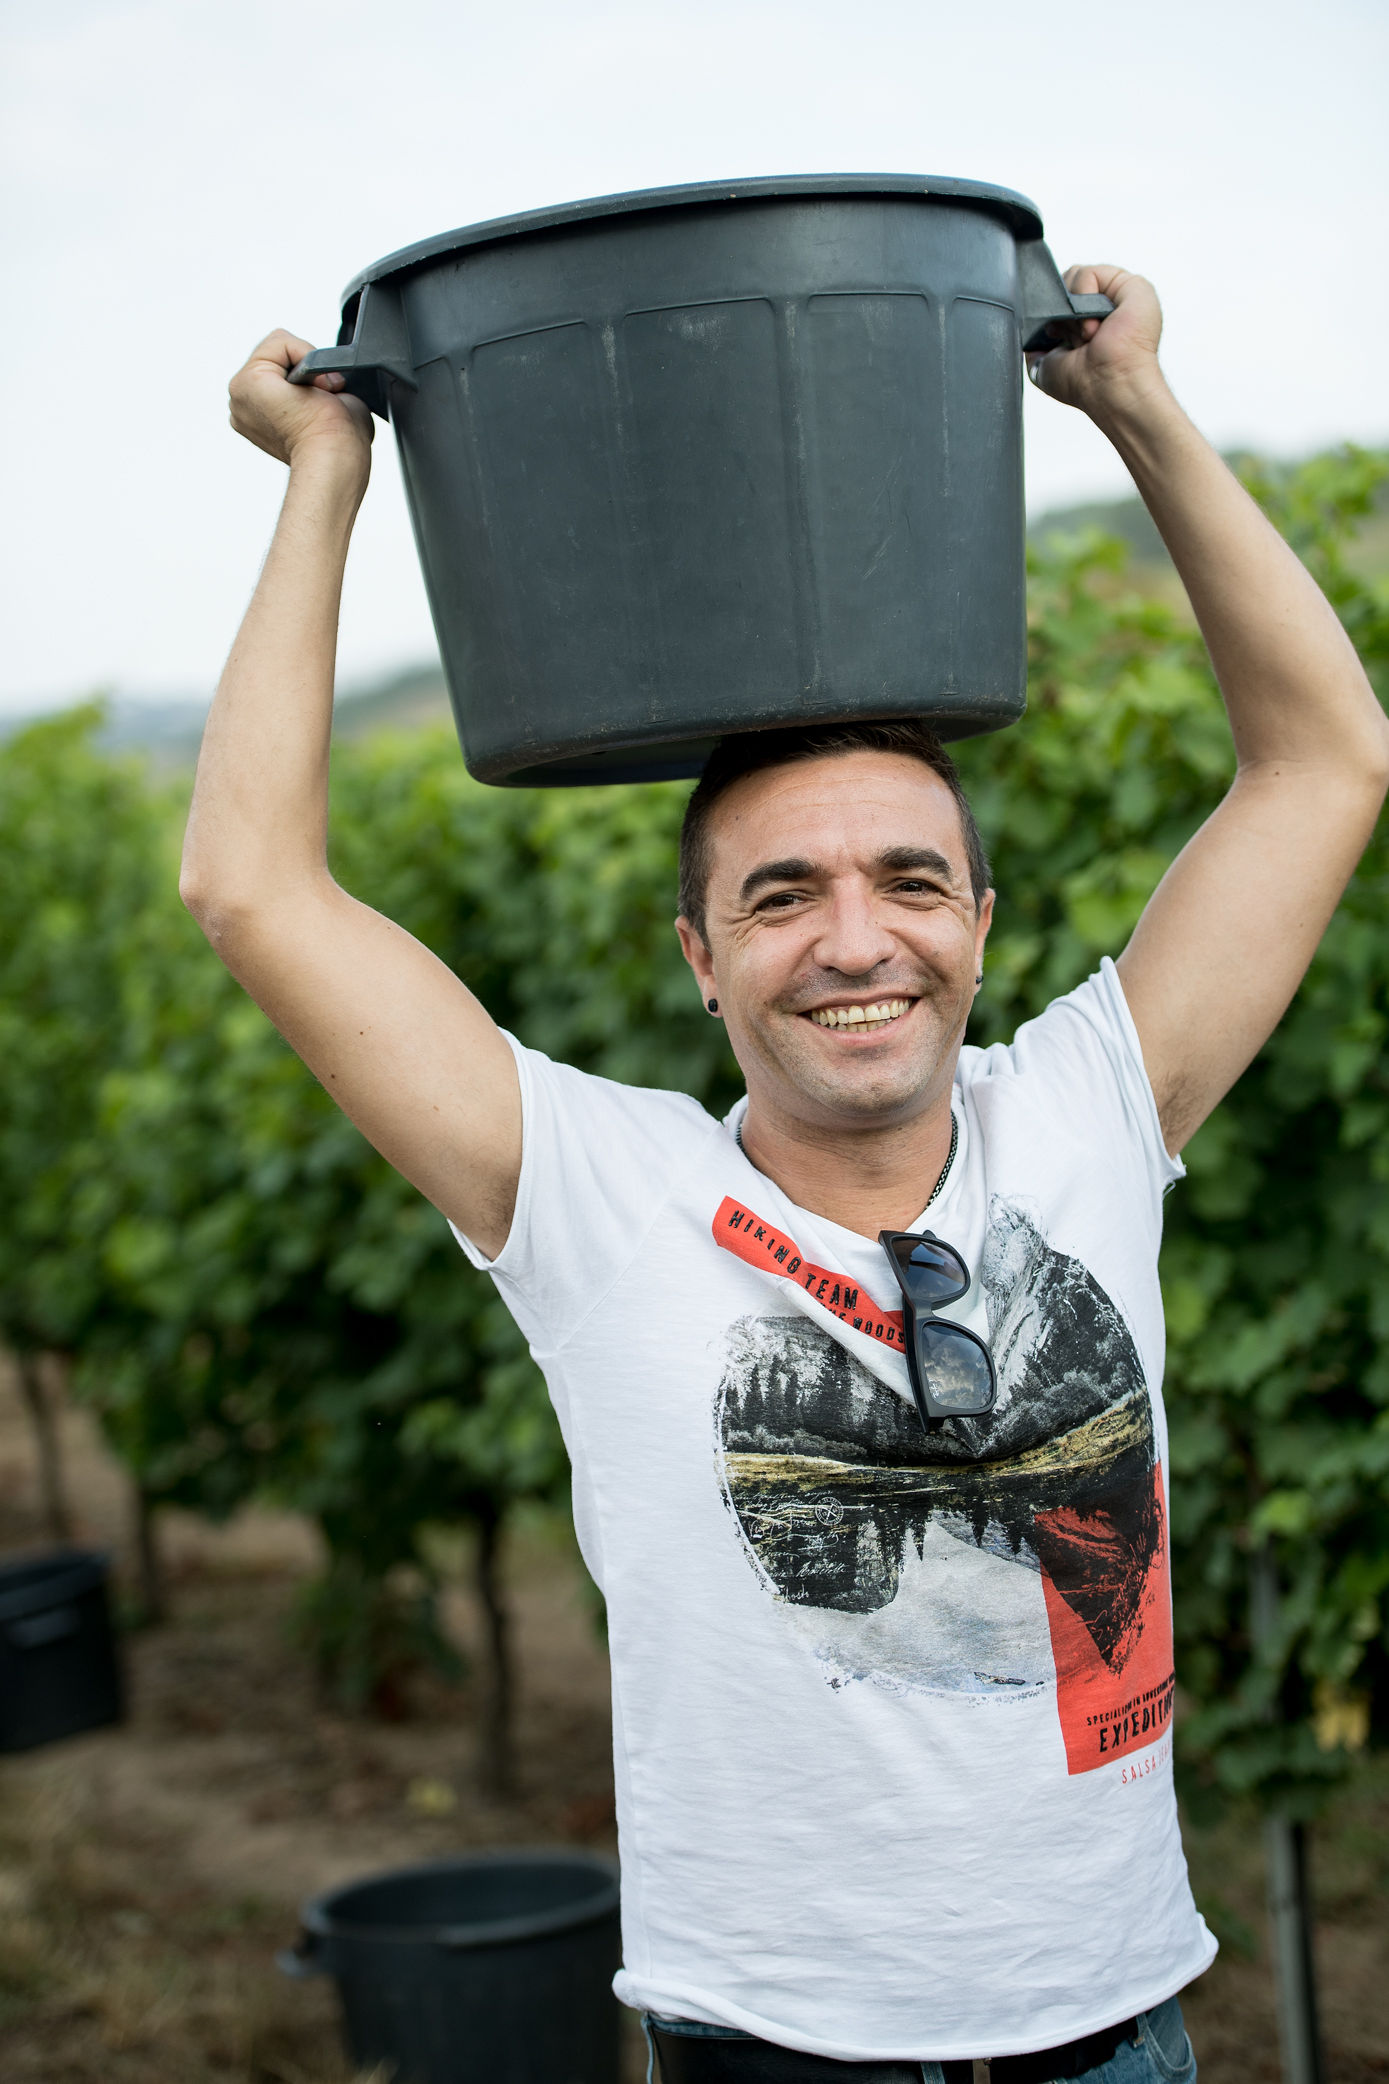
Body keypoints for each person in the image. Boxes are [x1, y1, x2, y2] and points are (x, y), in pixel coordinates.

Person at [184, 263, 1389, 2084]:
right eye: (779, 895)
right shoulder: (590, 1195)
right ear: (698, 955)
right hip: (777, 2048)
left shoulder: (1088, 1111)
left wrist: (1133, 405)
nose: (855, 940)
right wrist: (325, 476)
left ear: (977, 920)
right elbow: (252, 884)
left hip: (1117, 2030)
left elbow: (1321, 764)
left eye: (909, 881)